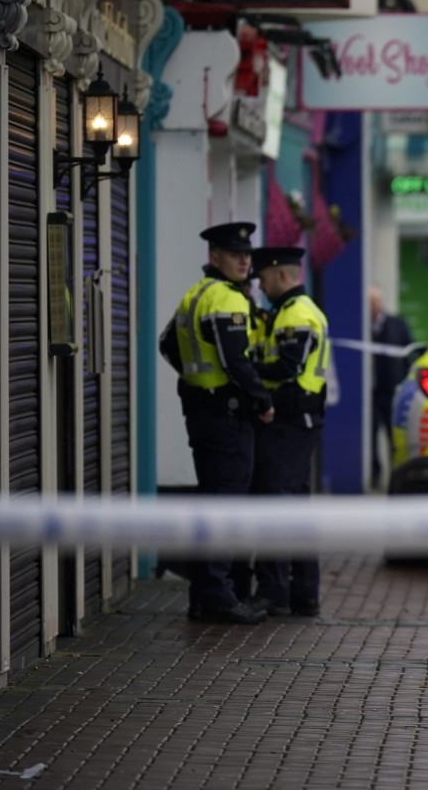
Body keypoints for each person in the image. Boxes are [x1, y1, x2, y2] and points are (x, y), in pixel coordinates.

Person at [159, 222, 274, 625]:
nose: (245, 260)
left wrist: (194, 379)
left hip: (202, 411)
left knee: (211, 499)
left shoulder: (197, 294)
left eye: (246, 254)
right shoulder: (225, 298)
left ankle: (204, 595)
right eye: (234, 253)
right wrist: (261, 399)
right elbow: (234, 359)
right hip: (226, 416)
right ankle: (217, 597)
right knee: (224, 504)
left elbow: (167, 343)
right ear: (215, 258)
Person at [244, 246, 329, 617]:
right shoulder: (285, 312)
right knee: (295, 508)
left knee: (275, 505)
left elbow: (287, 368)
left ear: (281, 274)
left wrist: (247, 373)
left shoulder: (298, 314)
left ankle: (274, 591)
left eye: (262, 279)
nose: (260, 287)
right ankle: (303, 593)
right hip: (297, 423)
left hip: (289, 423)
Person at [370, 286, 413, 489]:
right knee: (369, 439)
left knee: (393, 439)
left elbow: (409, 356)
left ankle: (395, 479)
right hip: (369, 393)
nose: (372, 306)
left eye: (374, 302)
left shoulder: (397, 324)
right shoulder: (361, 326)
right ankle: (374, 476)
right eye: (369, 302)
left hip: (391, 391)